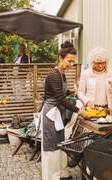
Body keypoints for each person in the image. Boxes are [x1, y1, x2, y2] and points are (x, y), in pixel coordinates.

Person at [41, 41, 89, 180]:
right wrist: (79, 111)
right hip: (51, 113)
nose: (71, 64)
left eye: (73, 61)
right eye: (69, 61)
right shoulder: (54, 74)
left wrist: (69, 90)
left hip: (58, 112)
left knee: (59, 143)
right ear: (60, 58)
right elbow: (60, 99)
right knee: (51, 146)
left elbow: (59, 92)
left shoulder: (61, 73)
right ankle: (51, 177)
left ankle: (62, 174)